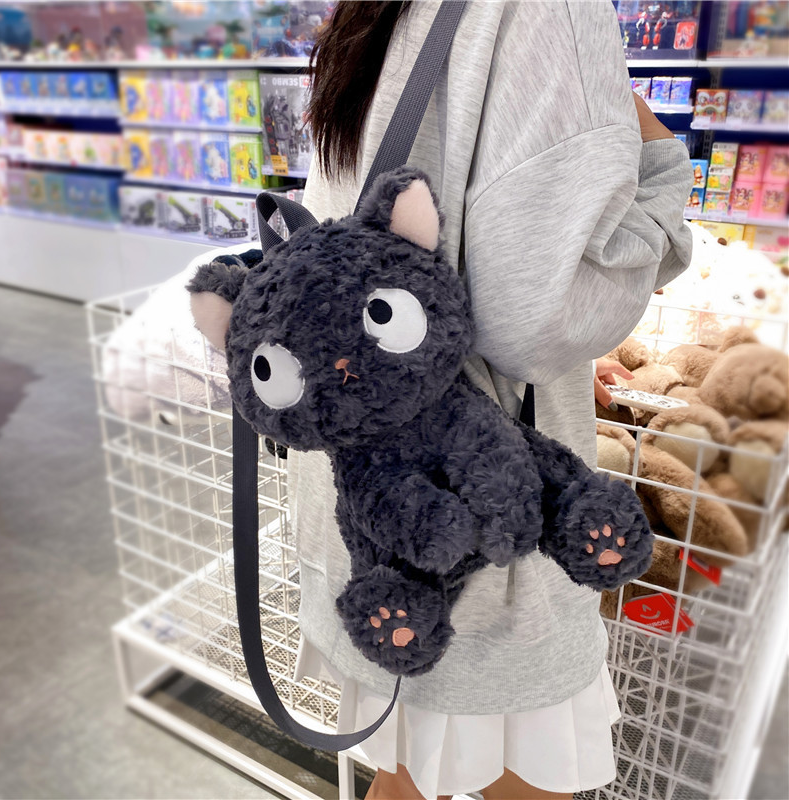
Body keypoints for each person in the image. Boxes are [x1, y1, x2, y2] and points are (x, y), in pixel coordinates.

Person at [288, 2, 693, 798]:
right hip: (485, 540)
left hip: (360, 496)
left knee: (405, 775)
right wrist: (660, 164)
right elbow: (540, 323)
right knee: (517, 781)